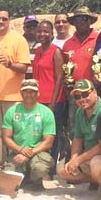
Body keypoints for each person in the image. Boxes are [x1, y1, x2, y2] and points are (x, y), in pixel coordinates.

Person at [0, 8, 31, 168]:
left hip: (14, 97)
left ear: (9, 20)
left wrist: (10, 64)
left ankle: (15, 169)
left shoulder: (18, 40)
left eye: (4, 18)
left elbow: (24, 68)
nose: (1, 21)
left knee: (15, 135)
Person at [56, 80, 101, 200]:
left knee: (96, 164)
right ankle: (97, 181)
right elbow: (78, 138)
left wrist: (79, 159)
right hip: (88, 154)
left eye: (85, 94)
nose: (82, 99)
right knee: (62, 170)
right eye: (77, 97)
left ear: (95, 92)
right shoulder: (80, 112)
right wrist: (74, 159)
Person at [1, 79, 55, 189]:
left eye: (32, 92)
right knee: (8, 174)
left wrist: (28, 153)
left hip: (39, 152)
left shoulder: (46, 112)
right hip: (17, 152)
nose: (29, 94)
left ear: (38, 93)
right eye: (26, 91)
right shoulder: (12, 111)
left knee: (39, 168)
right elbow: (6, 137)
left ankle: (36, 180)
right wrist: (20, 149)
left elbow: (48, 142)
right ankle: (25, 177)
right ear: (21, 93)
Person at [61, 7, 100, 161]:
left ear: (90, 21)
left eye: (84, 19)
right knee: (75, 128)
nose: (80, 22)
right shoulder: (68, 44)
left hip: (93, 93)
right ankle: (75, 164)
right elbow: (65, 69)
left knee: (95, 129)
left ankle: (92, 165)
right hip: (75, 94)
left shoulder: (98, 39)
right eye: (77, 19)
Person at [31, 20, 65, 163]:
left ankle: (50, 169)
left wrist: (52, 102)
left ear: (52, 34)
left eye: (46, 31)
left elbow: (59, 78)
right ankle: (41, 162)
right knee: (39, 134)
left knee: (53, 135)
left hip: (53, 100)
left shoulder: (55, 51)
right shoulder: (38, 50)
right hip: (38, 100)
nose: (42, 34)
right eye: (39, 31)